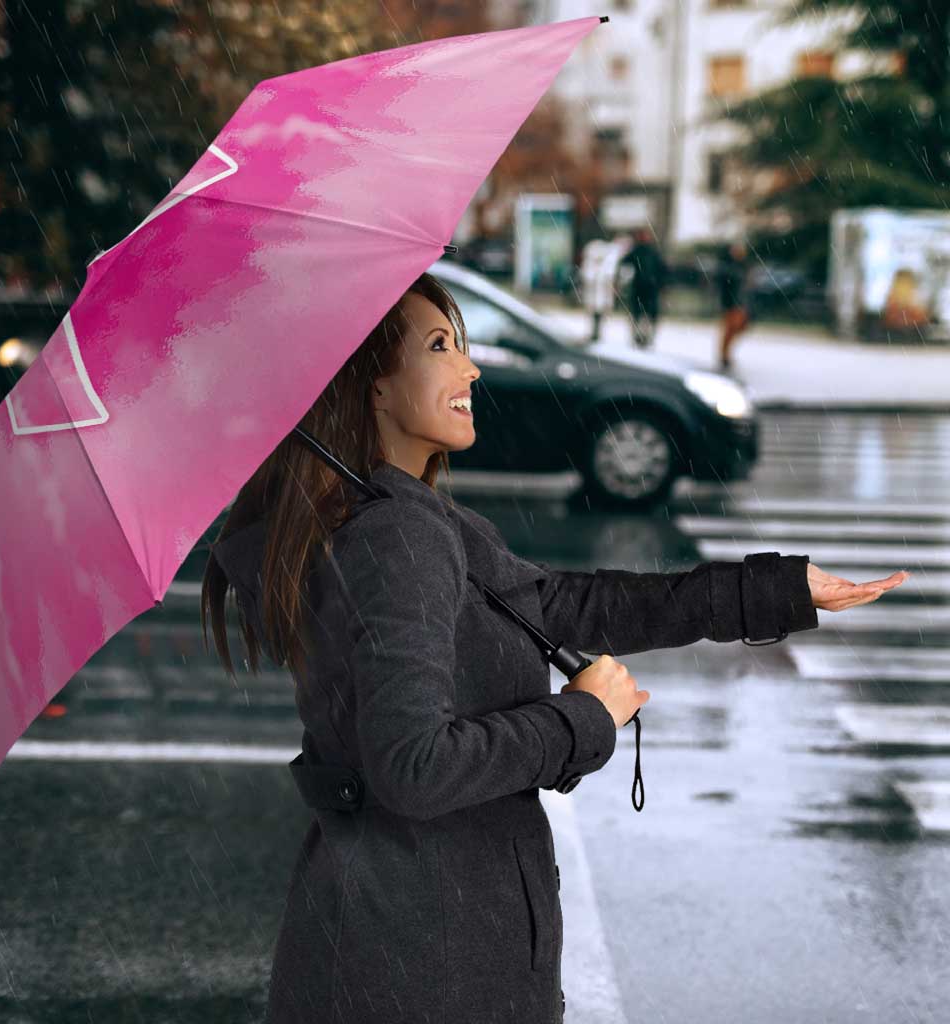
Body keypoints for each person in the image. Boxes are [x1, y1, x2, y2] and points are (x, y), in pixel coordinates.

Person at [201, 272, 906, 1024]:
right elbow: (414, 767)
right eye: (440, 347)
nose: (470, 369)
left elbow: (565, 606)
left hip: (401, 940)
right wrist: (582, 719)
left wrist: (775, 591)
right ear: (372, 385)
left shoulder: (397, 519)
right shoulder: (397, 536)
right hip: (427, 962)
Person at [618, 226, 668, 349]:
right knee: (640, 314)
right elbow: (624, 263)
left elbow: (662, 270)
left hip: (648, 289)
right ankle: (639, 337)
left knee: (645, 315)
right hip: (642, 288)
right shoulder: (640, 251)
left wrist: (661, 284)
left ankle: (645, 337)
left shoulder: (650, 252)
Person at [716, 239, 752, 370]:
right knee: (730, 329)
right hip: (731, 303)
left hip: (740, 303)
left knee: (738, 327)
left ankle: (725, 354)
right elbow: (725, 286)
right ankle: (724, 355)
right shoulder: (728, 267)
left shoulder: (742, 266)